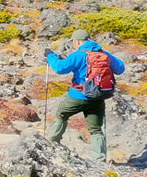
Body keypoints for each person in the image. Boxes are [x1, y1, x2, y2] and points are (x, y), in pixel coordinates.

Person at [44, 29, 125, 163]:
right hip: (98, 97)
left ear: (77, 41)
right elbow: (120, 68)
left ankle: (52, 145)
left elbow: (59, 68)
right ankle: (99, 160)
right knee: (96, 130)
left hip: (77, 96)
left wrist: (50, 55)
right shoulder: (104, 54)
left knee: (61, 115)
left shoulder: (78, 55)